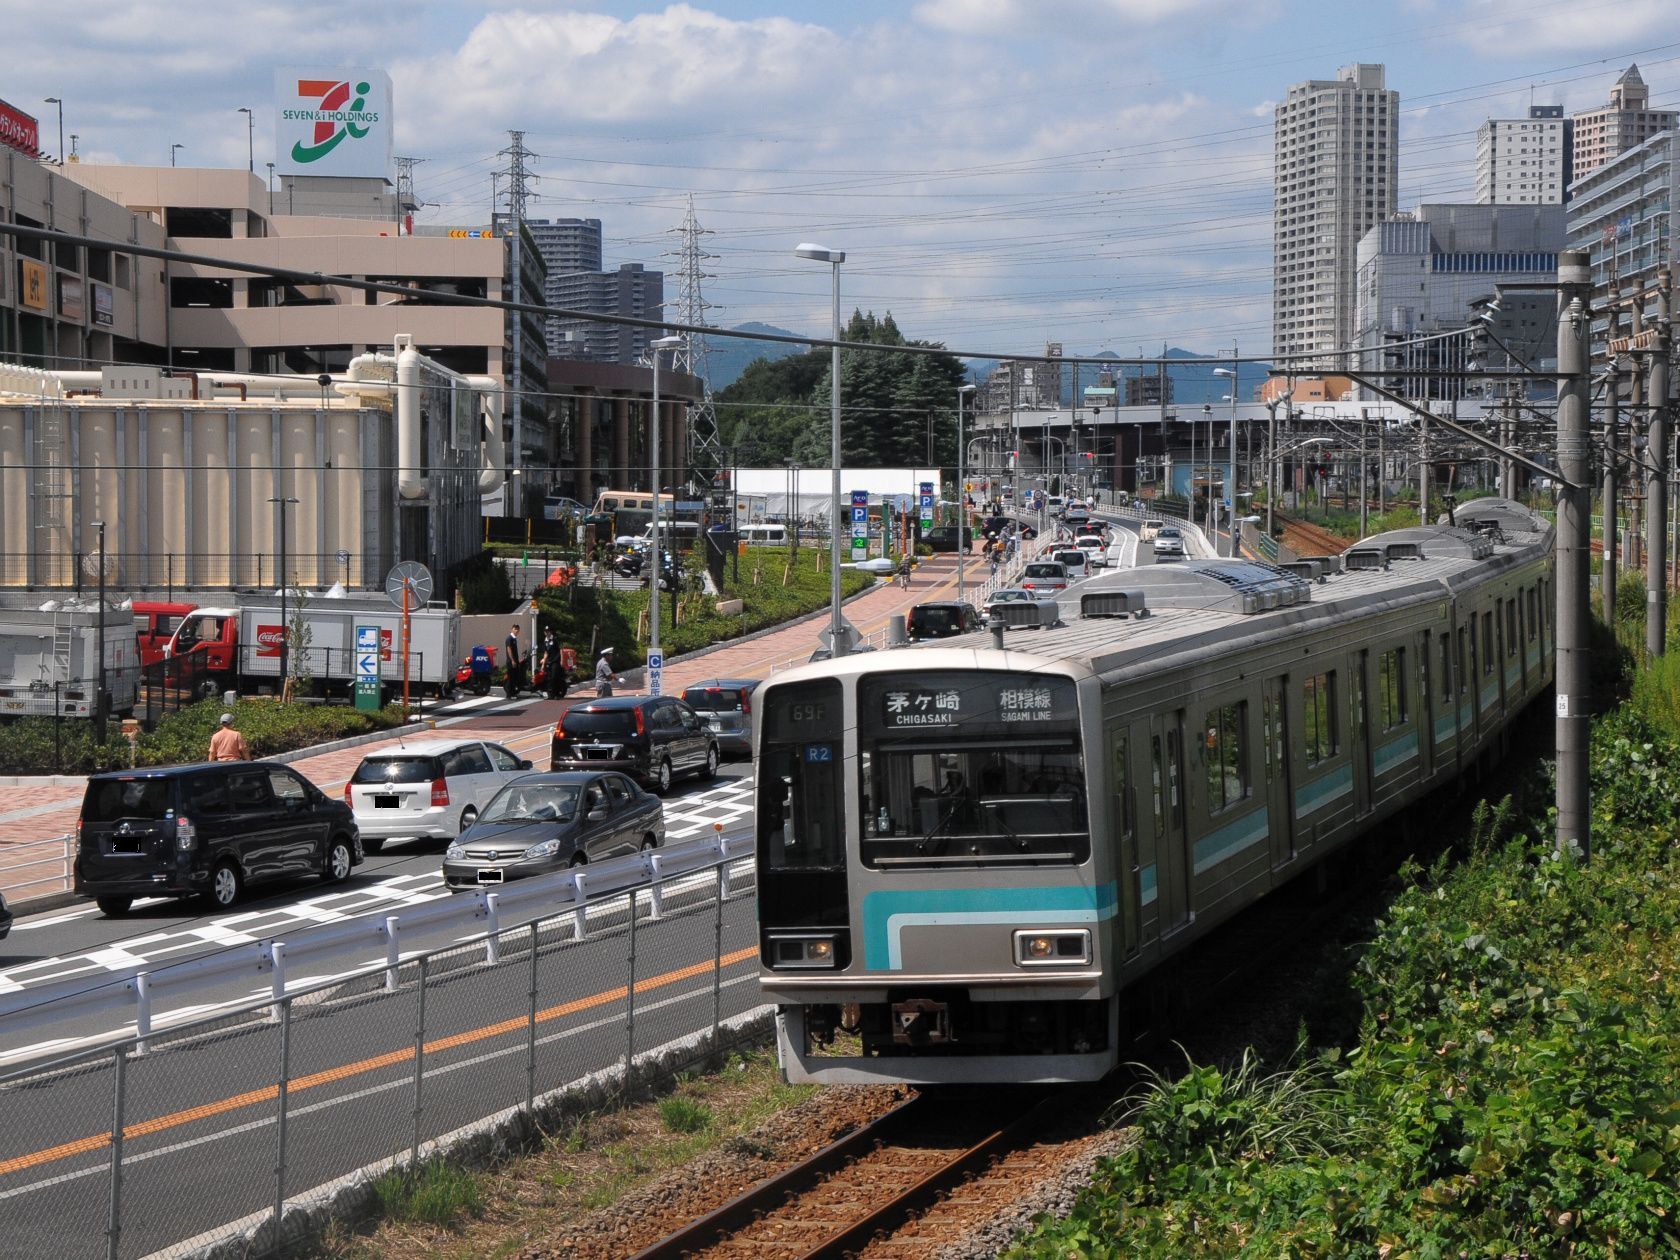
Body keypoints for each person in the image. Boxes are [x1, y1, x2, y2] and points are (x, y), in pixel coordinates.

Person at [540, 629, 563, 700]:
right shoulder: (545, 641)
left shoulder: (555, 639)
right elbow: (546, 653)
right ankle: (550, 695)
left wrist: (561, 661)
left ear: (550, 632)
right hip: (549, 662)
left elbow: (560, 650)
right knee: (549, 678)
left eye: (548, 631)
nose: (547, 633)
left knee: (554, 677)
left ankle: (557, 694)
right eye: (545, 631)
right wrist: (543, 664)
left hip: (555, 661)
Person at [503, 624, 524, 699]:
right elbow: (509, 649)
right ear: (512, 629)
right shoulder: (509, 638)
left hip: (515, 661)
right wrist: (512, 660)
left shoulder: (514, 638)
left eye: (518, 629)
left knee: (514, 678)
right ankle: (508, 695)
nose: (517, 630)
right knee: (510, 678)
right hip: (511, 662)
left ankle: (512, 693)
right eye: (515, 629)